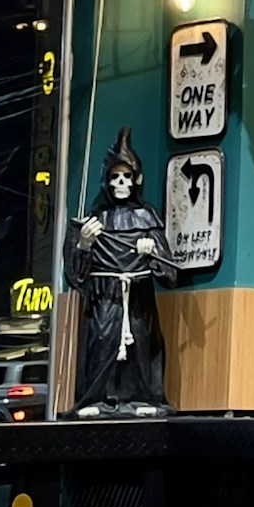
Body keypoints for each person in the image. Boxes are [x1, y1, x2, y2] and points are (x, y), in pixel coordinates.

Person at [64, 127, 176, 413]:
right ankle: (96, 399)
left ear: (136, 179)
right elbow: (76, 276)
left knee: (140, 344)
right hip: (104, 296)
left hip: (138, 296)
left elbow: (170, 274)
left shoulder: (147, 217)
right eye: (115, 177)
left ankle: (143, 399)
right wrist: (84, 244)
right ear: (106, 181)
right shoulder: (95, 218)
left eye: (126, 176)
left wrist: (152, 252)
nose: (121, 182)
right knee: (102, 342)